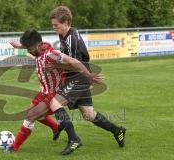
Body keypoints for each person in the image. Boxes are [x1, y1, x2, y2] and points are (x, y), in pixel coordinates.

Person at [7, 29, 103, 155]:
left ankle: (14, 147)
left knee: (30, 116)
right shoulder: (39, 48)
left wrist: (88, 75)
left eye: (29, 49)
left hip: (54, 94)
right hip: (44, 92)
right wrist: (20, 46)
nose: (28, 51)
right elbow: (31, 46)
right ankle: (56, 128)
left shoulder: (50, 54)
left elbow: (73, 61)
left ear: (36, 46)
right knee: (33, 112)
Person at [49, 6, 126, 147]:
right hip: (77, 78)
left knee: (54, 103)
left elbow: (74, 63)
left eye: (56, 25)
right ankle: (117, 130)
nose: (54, 28)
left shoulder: (71, 38)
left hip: (78, 78)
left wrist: (55, 65)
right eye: (53, 25)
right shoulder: (64, 34)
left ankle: (72, 138)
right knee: (89, 114)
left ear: (66, 22)